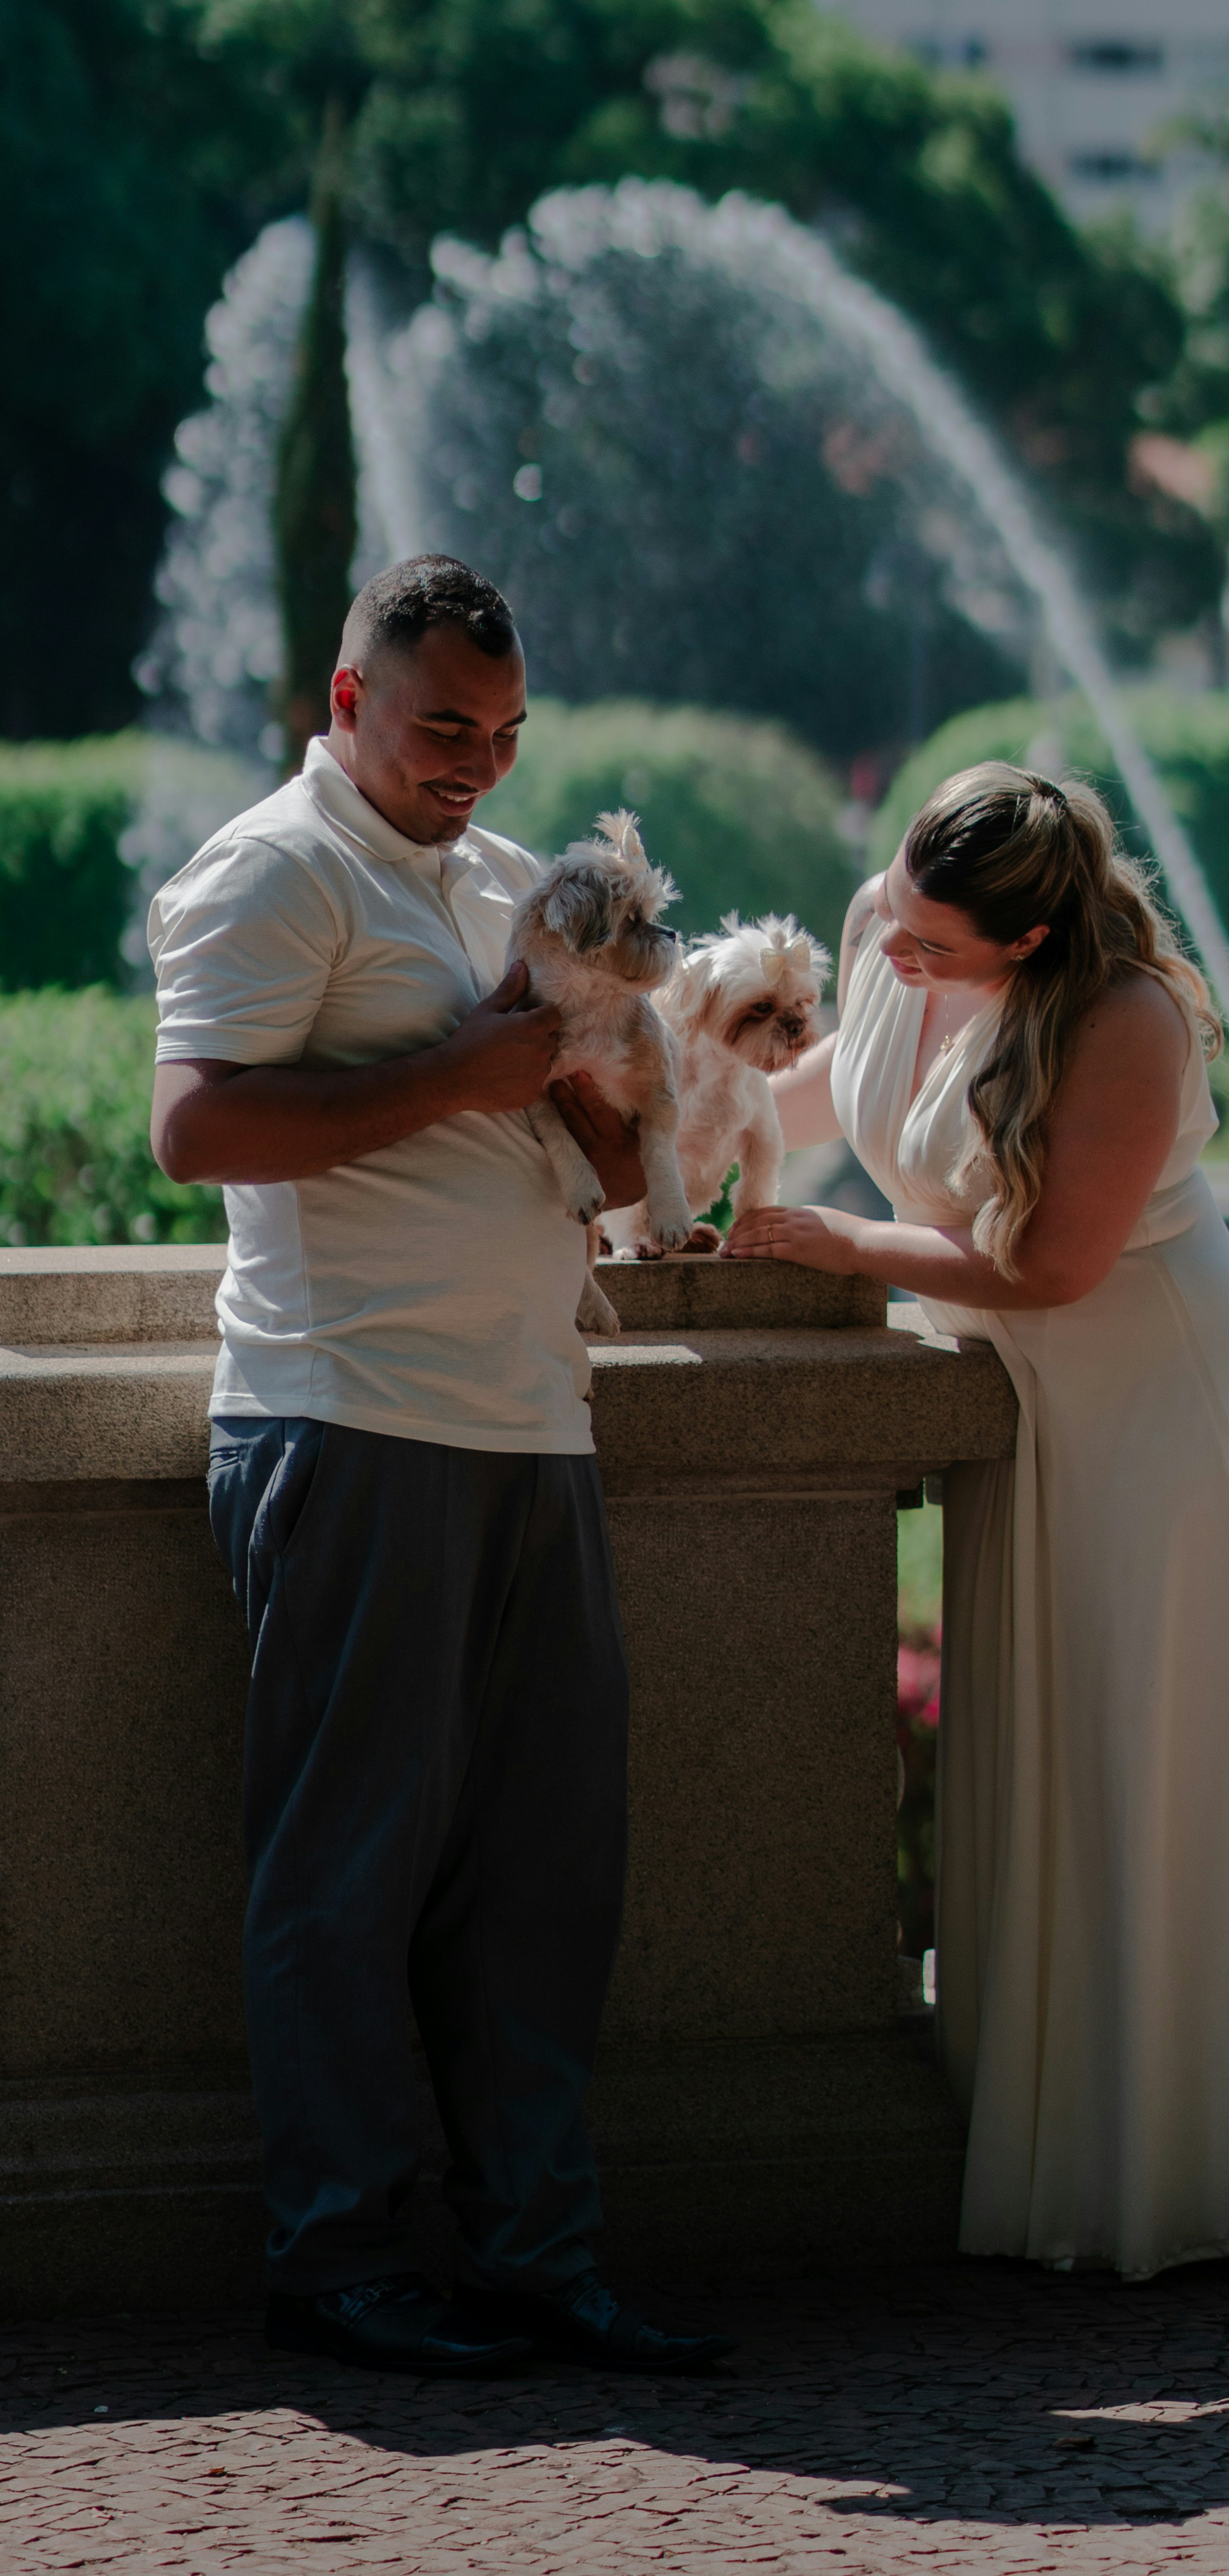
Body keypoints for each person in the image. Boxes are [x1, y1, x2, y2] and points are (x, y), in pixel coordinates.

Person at [730, 763, 1229, 2279]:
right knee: (1066, 1760)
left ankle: (1223, 2151)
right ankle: (1075, 2125)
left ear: (1035, 945)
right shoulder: (895, 921)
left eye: (935, 946)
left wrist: (842, 1238)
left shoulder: (1130, 1016)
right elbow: (817, 1086)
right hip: (1040, 1414)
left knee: (1156, 1762)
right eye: (899, 918)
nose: (897, 954)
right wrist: (676, 1118)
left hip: (1167, 1411)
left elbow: (1057, 1267)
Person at [149, 555, 733, 2378]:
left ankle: (534, 2254)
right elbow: (197, 1126)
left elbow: (590, 1140)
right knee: (347, 1876)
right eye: (442, 726)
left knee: (546, 1876)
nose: (478, 762)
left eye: (504, 731)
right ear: (348, 703)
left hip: (531, 1414)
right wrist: (467, 1073)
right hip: (346, 1413)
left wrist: (599, 1079)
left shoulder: (509, 881)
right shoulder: (270, 867)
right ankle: (341, 2267)